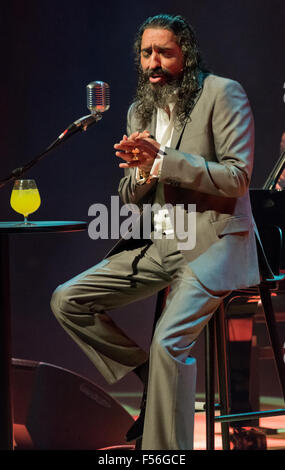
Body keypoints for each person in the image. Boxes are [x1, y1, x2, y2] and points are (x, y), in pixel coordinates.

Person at [50, 14, 260, 450]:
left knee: (169, 345)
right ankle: (148, 375)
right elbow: (130, 196)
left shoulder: (222, 93)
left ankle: (163, 455)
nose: (153, 62)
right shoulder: (139, 110)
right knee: (69, 300)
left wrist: (163, 161)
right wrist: (144, 172)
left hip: (216, 243)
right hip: (165, 242)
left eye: (164, 52)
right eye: (146, 53)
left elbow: (238, 178)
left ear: (187, 53)